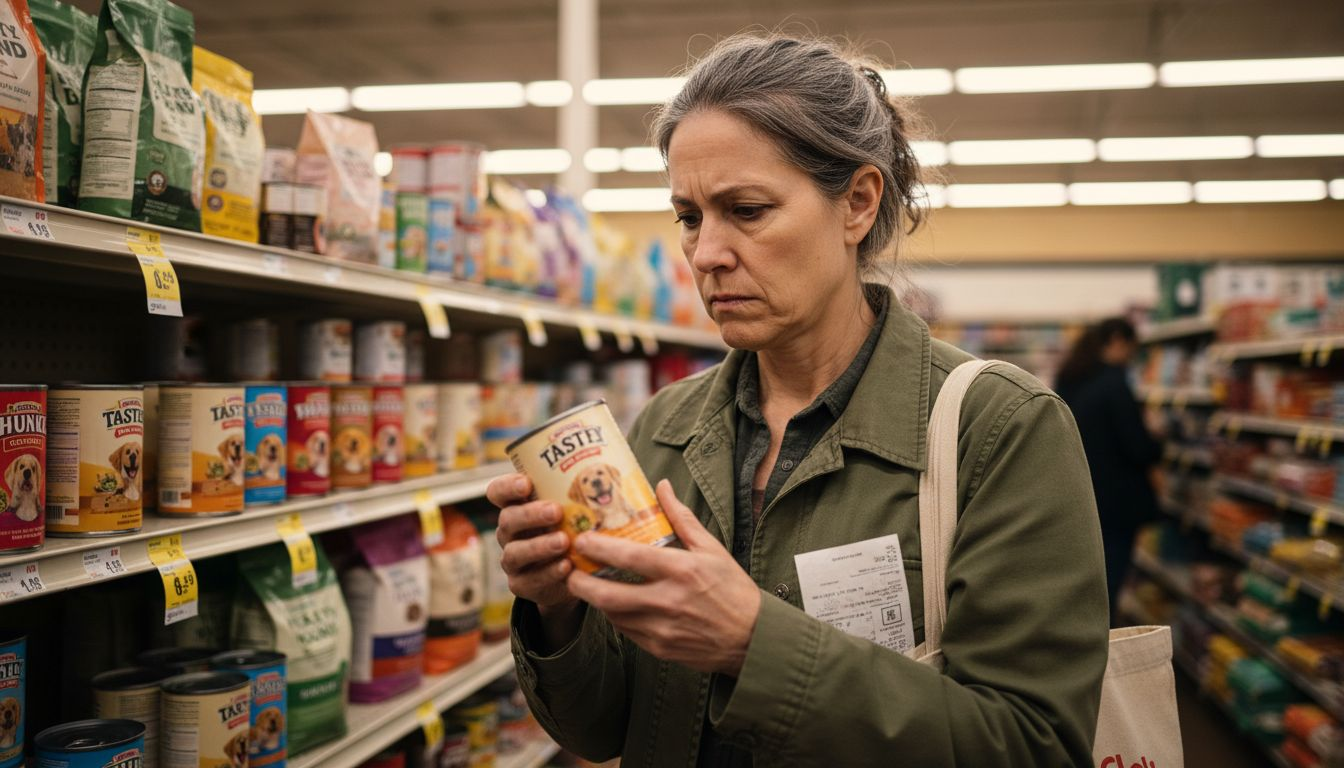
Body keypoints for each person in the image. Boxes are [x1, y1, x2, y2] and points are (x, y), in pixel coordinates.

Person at [487, 34, 1109, 767]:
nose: (707, 253)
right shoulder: (666, 427)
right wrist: (556, 612)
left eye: (746, 210)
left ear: (857, 203)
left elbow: (1035, 746)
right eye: (689, 217)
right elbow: (602, 729)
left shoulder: (998, 430)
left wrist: (755, 643)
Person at [1055, 317, 1165, 625]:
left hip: (1080, 497)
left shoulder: (1072, 379)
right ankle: (1105, 649)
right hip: (1117, 503)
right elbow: (1138, 448)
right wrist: (1158, 439)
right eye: (1131, 348)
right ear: (1117, 340)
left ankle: (1081, 643)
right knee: (1110, 581)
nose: (1131, 356)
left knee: (1087, 583)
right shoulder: (1114, 384)